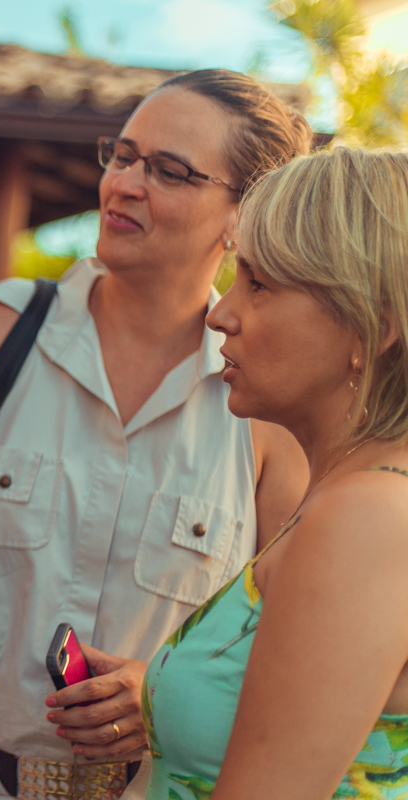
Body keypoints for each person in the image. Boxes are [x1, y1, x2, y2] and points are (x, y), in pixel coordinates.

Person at [0, 69, 314, 799]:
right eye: (121, 155)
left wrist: (166, 689)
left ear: (243, 215)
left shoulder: (268, 410)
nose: (124, 184)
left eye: (169, 171)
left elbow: (299, 645)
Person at [141, 147, 408, 800]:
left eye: (257, 283)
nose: (220, 314)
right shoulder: (352, 501)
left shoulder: (366, 516)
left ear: (371, 326)